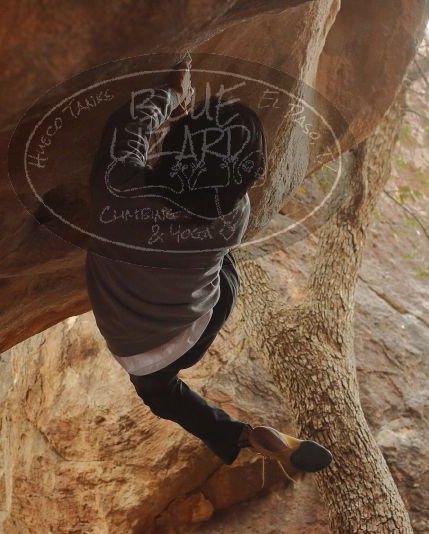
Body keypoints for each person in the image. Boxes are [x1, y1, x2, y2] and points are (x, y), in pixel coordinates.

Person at [84, 57, 333, 472]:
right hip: (201, 323)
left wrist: (171, 95)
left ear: (176, 144)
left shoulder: (120, 194)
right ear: (249, 176)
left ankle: (235, 434)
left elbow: (126, 127)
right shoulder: (234, 217)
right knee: (220, 265)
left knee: (161, 395)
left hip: (142, 348)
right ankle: (245, 436)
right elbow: (138, 140)